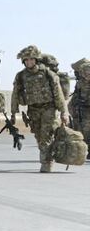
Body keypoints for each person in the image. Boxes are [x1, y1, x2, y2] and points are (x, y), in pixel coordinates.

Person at [10, 45, 69, 173]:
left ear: (36, 59)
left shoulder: (48, 74)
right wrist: (13, 113)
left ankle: (46, 163)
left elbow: (58, 93)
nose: (29, 62)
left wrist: (64, 112)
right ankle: (48, 157)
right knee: (38, 136)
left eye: (31, 59)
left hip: (49, 108)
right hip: (33, 110)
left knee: (46, 136)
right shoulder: (21, 76)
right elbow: (15, 94)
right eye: (26, 60)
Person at [68, 58, 90, 156]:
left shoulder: (83, 81)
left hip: (85, 110)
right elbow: (77, 96)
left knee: (85, 131)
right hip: (81, 110)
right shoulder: (80, 82)